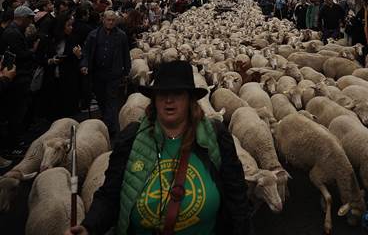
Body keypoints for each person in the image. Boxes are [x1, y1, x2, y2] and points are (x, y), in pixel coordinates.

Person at [65, 61, 252, 235]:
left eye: (177, 93)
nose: (169, 100)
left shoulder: (215, 137)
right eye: (162, 93)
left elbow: (237, 198)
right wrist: (88, 227)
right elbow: (110, 196)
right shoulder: (131, 139)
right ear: (154, 99)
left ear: (190, 99)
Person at [80, 10, 131, 137]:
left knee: (111, 99)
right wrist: (84, 64)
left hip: (113, 73)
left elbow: (126, 54)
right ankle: (107, 120)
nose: (111, 22)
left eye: (113, 20)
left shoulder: (121, 36)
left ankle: (109, 127)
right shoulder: (94, 35)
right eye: (108, 20)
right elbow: (86, 52)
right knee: (101, 98)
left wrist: (126, 71)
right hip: (98, 73)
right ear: (103, 20)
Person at [0, 6, 39, 152]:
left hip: (19, 76)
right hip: (17, 78)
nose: (30, 22)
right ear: (21, 18)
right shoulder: (12, 33)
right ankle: (12, 144)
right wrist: (32, 51)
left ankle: (15, 141)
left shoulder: (14, 31)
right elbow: (19, 54)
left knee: (18, 112)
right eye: (28, 18)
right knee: (15, 113)